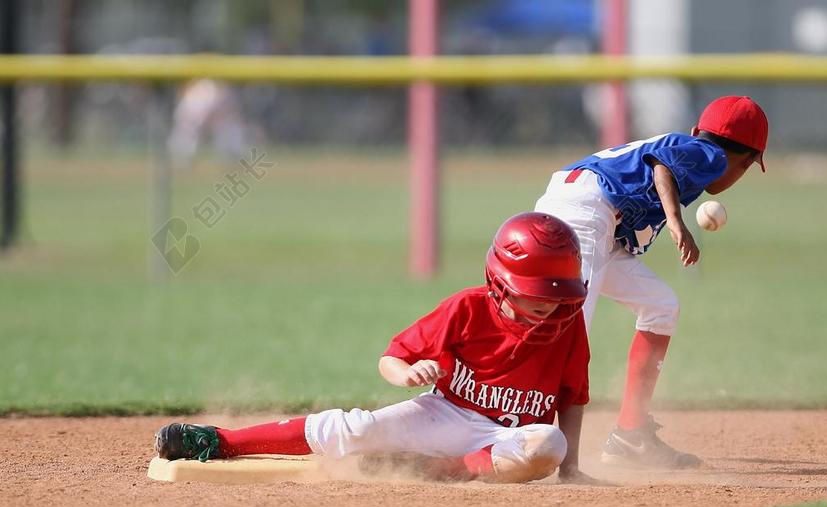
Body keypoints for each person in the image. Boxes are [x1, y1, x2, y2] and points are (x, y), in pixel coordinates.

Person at [155, 212, 592, 483]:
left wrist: (569, 468)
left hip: (508, 439)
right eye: (536, 295)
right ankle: (221, 440)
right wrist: (407, 374)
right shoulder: (467, 308)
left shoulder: (568, 326)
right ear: (499, 283)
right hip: (447, 414)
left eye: (559, 295)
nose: (550, 305)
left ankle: (440, 472)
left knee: (551, 445)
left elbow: (572, 398)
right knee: (355, 428)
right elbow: (392, 358)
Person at [534, 95, 769, 469]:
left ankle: (631, 435)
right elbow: (663, 169)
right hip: (585, 213)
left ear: (698, 130)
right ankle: (518, 430)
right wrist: (676, 222)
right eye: (745, 166)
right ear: (744, 160)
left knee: (660, 306)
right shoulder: (712, 156)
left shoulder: (688, 145)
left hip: (590, 214)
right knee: (570, 333)